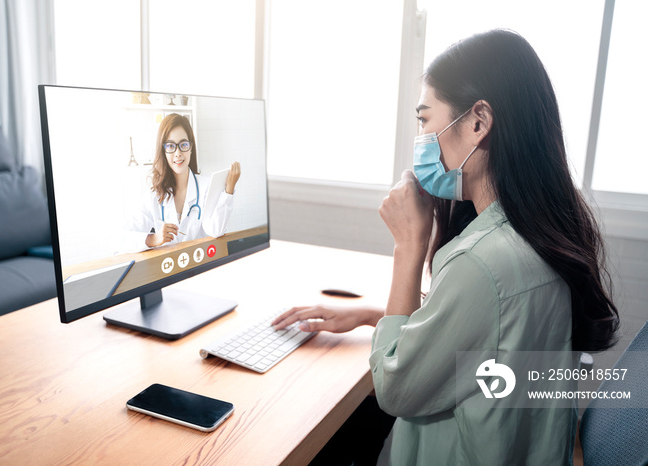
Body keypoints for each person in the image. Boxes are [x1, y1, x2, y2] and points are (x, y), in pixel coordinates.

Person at [273, 29, 619, 465]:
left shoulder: (482, 263)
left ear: (478, 122)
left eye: (424, 119)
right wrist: (369, 315)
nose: (420, 137)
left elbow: (393, 387)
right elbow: (488, 329)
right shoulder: (535, 235)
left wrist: (409, 246)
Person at [128, 113, 241, 248]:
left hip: (199, 265)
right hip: (167, 266)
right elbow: (123, 237)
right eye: (170, 146)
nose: (178, 153)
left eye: (183, 144)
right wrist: (153, 239)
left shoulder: (206, 186)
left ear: (191, 147)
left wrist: (228, 190)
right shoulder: (153, 195)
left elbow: (216, 230)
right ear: (163, 151)